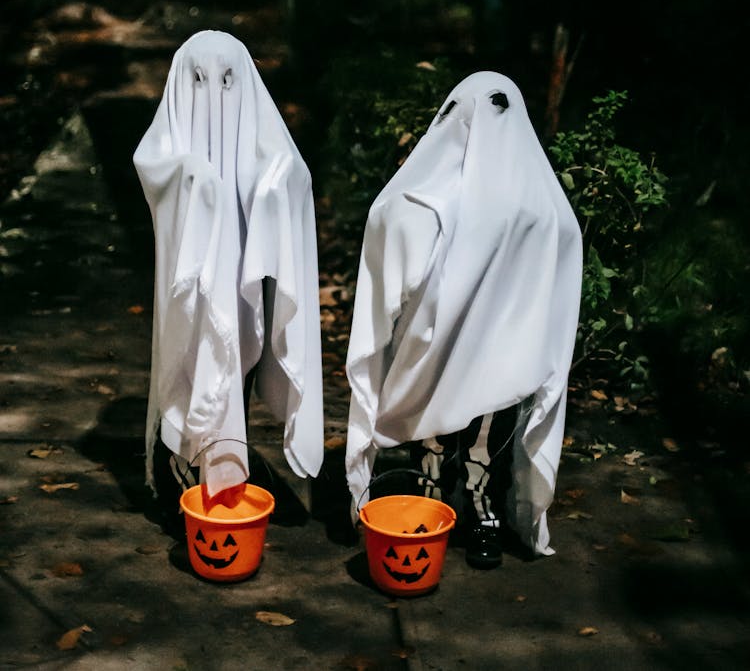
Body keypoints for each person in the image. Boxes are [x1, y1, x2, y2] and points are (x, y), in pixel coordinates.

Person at [345, 71, 582, 567]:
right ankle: (435, 494)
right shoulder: (430, 198)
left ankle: (477, 504)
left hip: (499, 350)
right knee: (433, 422)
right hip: (436, 344)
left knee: (484, 430)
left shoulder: (538, 209)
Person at [134, 30, 323, 509]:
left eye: (227, 82)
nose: (214, 102)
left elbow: (290, 171)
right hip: (193, 272)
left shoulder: (262, 144)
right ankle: (182, 457)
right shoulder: (172, 153)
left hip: (244, 273)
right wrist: (191, 176)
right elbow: (153, 162)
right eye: (197, 81)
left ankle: (223, 449)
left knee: (238, 353)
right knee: (193, 349)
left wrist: (275, 179)